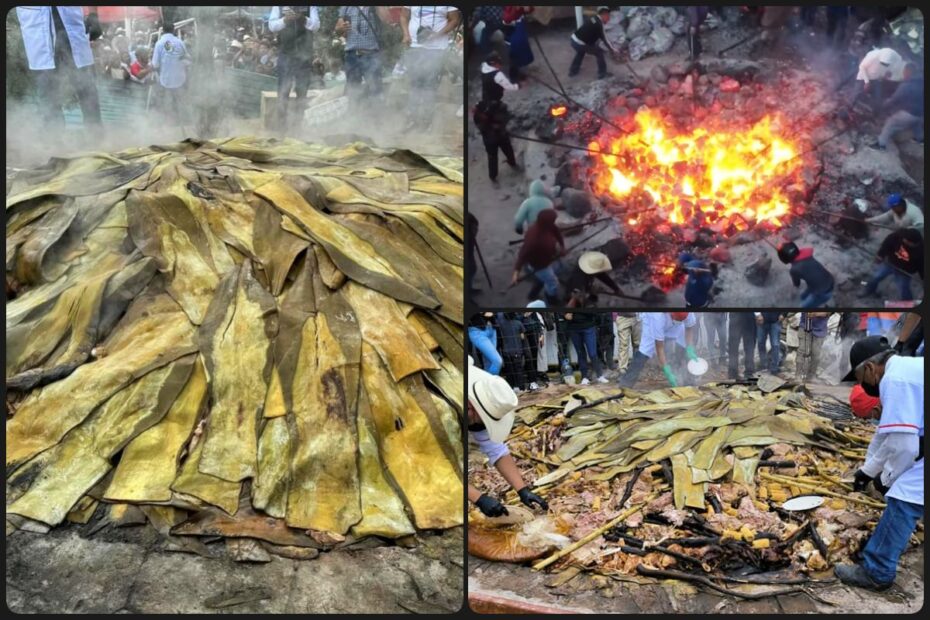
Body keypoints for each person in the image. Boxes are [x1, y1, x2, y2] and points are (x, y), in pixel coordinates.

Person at [835, 337, 923, 591]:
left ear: (871, 368)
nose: (862, 384)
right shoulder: (905, 369)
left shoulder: (894, 381)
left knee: (903, 499)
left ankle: (877, 571)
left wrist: (886, 481)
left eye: (860, 377)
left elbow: (905, 447)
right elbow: (886, 437)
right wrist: (866, 471)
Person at [467, 359, 549, 517]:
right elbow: (435, 467)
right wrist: (478, 498)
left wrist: (522, 489)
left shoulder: (477, 406)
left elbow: (496, 449)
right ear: (471, 406)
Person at [16, 6, 102, 131]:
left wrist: (93, 14)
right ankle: (55, 141)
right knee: (48, 92)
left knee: (86, 86)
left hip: (70, 24)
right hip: (36, 29)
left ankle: (96, 135)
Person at [400, 6, 461, 129]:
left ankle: (426, 121)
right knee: (415, 84)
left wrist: (437, 35)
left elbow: (455, 19)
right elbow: (403, 15)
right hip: (415, 47)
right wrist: (406, 34)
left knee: (429, 86)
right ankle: (412, 118)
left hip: (436, 49)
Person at [268, 6, 321, 131]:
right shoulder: (279, 6)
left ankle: (297, 127)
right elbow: (272, 26)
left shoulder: (310, 6)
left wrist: (303, 18)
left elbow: (316, 26)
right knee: (283, 91)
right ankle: (281, 127)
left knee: (302, 92)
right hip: (286, 54)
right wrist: (285, 20)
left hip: (304, 57)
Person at [618, 313, 698, 388]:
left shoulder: (688, 313)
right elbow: (659, 347)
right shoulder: (657, 317)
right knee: (645, 350)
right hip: (652, 324)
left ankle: (688, 380)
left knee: (683, 345)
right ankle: (626, 384)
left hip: (677, 325)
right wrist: (666, 370)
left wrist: (689, 347)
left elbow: (689, 329)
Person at [336, 6, 389, 106]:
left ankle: (379, 117)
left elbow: (386, 19)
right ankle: (355, 117)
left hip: (371, 54)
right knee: (353, 90)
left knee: (375, 89)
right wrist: (341, 28)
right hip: (351, 56)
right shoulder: (346, 7)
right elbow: (338, 29)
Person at [512, 209, 564, 303]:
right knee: (553, 282)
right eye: (553, 220)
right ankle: (551, 298)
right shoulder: (533, 238)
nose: (554, 222)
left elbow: (557, 232)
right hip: (538, 265)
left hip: (548, 258)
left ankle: (532, 294)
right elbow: (523, 254)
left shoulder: (547, 226)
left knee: (543, 278)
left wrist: (562, 246)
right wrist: (516, 272)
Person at [872, 60, 923, 150]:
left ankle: (881, 144)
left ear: (908, 71)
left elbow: (894, 100)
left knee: (890, 122)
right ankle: (920, 139)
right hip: (921, 114)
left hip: (910, 114)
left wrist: (883, 106)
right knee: (916, 123)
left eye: (904, 72)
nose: (903, 74)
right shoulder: (921, 82)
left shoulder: (907, 85)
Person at [863, 228, 923, 301]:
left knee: (903, 288)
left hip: (905, 271)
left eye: (907, 241)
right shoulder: (898, 236)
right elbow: (886, 244)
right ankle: (869, 290)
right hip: (890, 263)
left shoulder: (921, 250)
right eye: (904, 239)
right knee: (876, 277)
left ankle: (907, 303)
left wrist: (923, 279)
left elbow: (922, 266)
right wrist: (880, 255)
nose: (903, 240)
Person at [152, 21, 192, 126]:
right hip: (180, 79)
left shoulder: (159, 43)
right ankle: (181, 122)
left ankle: (168, 123)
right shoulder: (180, 42)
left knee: (166, 102)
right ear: (173, 30)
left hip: (165, 80)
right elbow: (188, 60)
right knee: (179, 102)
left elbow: (155, 64)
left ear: (163, 30)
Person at [777, 241, 835, 308]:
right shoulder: (808, 256)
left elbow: (797, 284)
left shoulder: (794, 269)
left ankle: (823, 304)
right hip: (829, 280)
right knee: (803, 296)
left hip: (823, 292)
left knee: (803, 307)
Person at [473, 99, 518, 184]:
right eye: (481, 114)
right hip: (490, 140)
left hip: (502, 135)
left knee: (508, 150)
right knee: (492, 158)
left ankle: (512, 162)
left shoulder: (498, 107)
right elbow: (481, 128)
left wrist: (501, 125)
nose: (483, 116)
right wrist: (492, 128)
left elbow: (506, 116)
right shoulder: (477, 116)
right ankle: (493, 176)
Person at [849, 47, 905, 113]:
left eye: (886, 64)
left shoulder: (893, 60)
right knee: (857, 91)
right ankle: (850, 106)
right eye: (883, 63)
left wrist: (887, 75)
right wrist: (867, 82)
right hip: (864, 76)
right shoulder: (872, 56)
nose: (884, 65)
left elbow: (889, 72)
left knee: (877, 96)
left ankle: (873, 112)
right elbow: (862, 67)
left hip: (877, 80)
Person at [568, 6, 617, 80]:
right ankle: (602, 73)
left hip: (574, 40)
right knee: (599, 52)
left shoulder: (593, 18)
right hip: (581, 43)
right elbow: (605, 39)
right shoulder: (599, 24)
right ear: (604, 15)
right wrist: (613, 49)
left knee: (581, 51)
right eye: (608, 16)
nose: (609, 18)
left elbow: (591, 33)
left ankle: (573, 71)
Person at [563, 311, 607, 385]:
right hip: (573, 327)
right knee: (580, 353)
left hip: (588, 326)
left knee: (592, 353)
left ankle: (600, 375)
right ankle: (584, 377)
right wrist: (564, 314)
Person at [497, 312, 527, 392]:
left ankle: (511, 387)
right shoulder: (519, 323)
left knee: (509, 370)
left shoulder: (501, 325)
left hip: (506, 351)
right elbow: (522, 337)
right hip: (517, 350)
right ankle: (521, 388)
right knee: (519, 369)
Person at [503, 6, 534, 82]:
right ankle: (513, 75)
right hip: (509, 28)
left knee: (522, 49)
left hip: (519, 26)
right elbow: (506, 18)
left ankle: (519, 71)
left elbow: (530, 9)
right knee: (513, 51)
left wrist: (528, 8)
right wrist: (515, 9)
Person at [796, 312, 830, 383]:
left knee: (816, 354)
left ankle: (811, 376)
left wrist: (816, 314)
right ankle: (798, 375)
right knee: (802, 350)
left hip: (820, 329)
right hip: (804, 325)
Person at [521, 305, 548, 391]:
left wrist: (541, 333)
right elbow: (511, 318)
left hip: (533, 332)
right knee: (527, 356)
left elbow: (537, 320)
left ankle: (533, 380)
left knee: (533, 356)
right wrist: (523, 316)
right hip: (520, 332)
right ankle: (530, 380)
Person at [728, 312, 757, 381]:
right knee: (745, 345)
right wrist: (758, 314)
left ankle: (735, 372)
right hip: (743, 316)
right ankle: (746, 372)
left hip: (741, 316)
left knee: (746, 346)